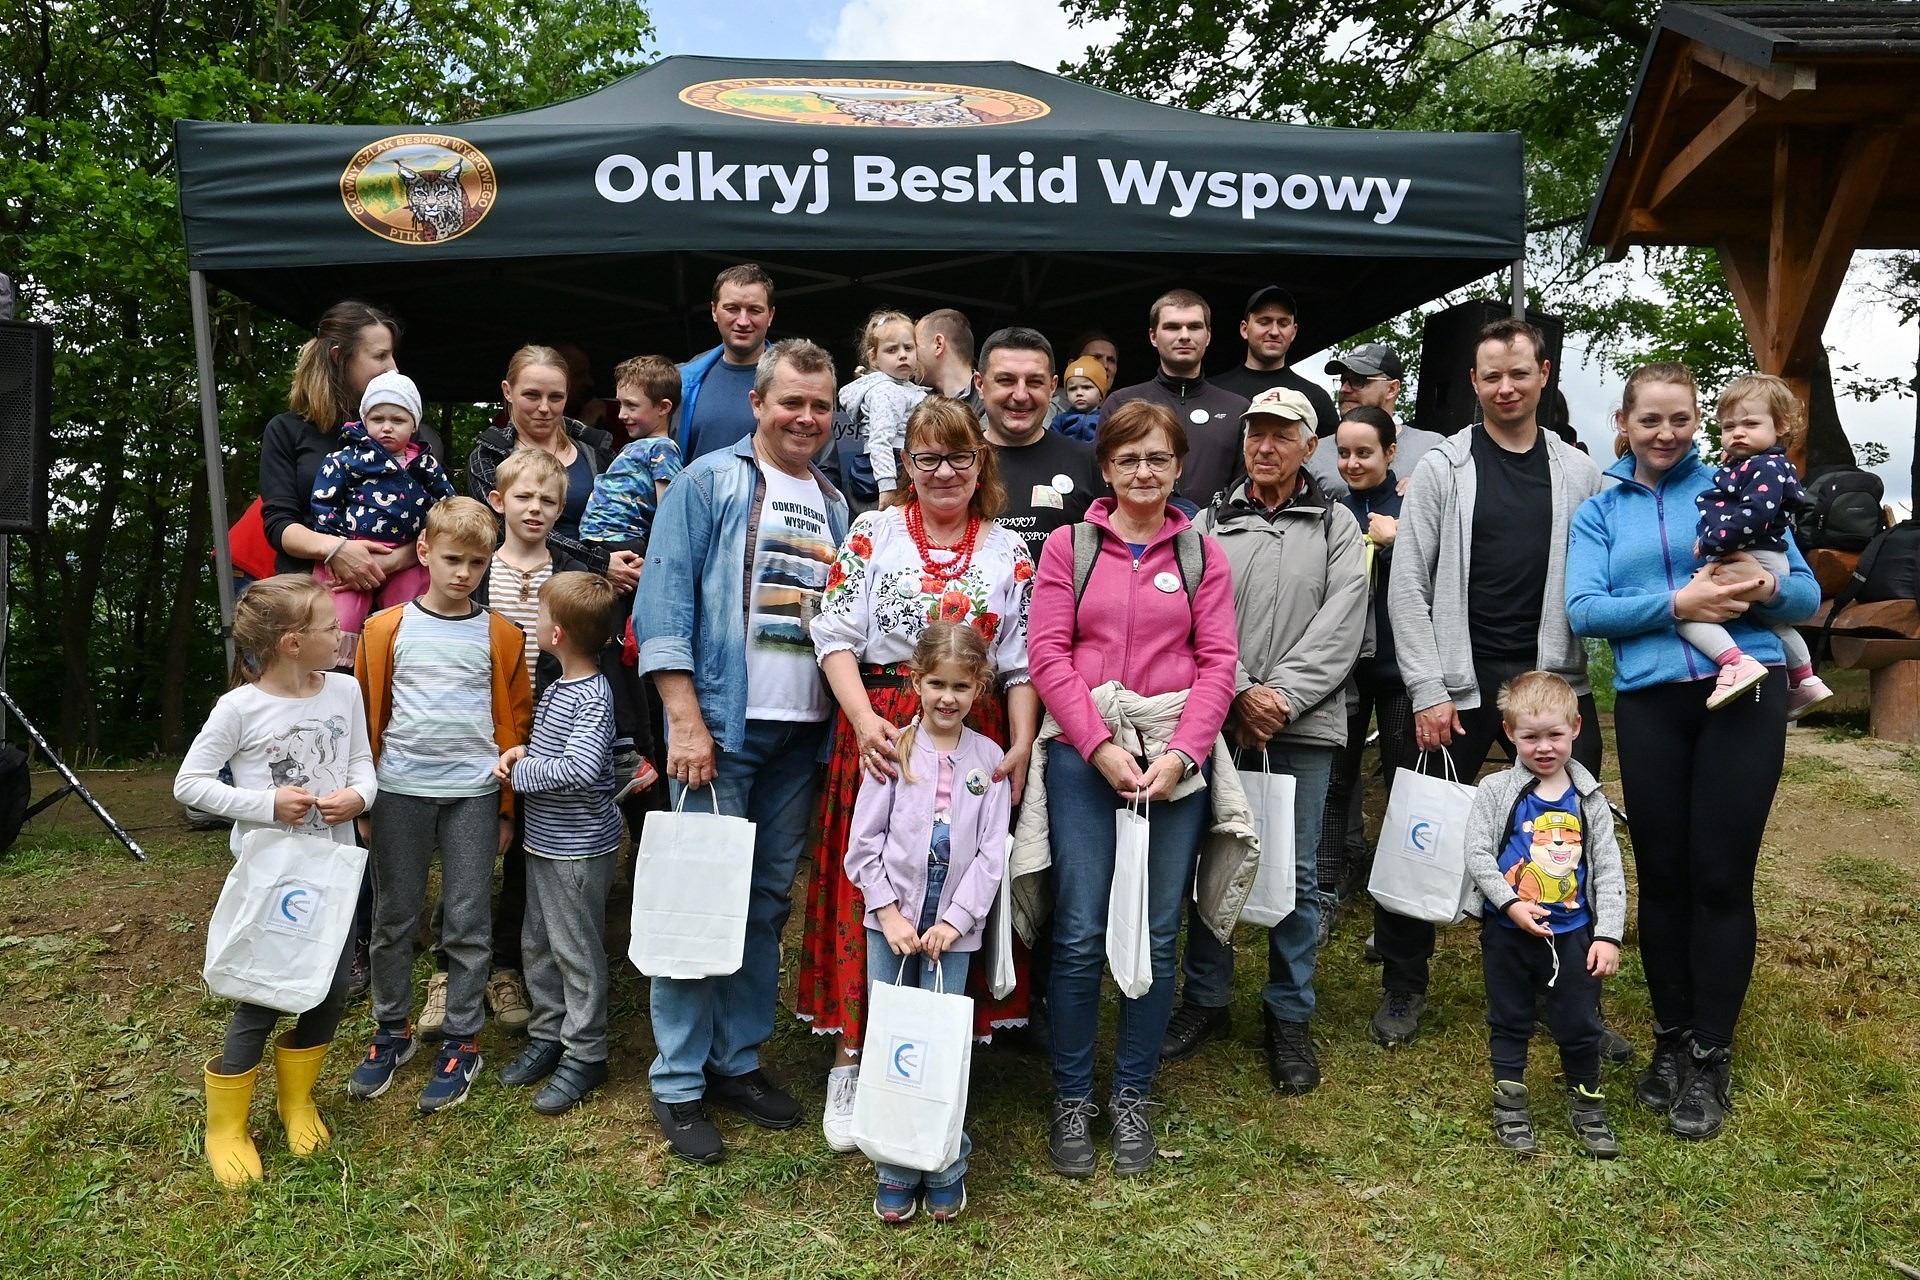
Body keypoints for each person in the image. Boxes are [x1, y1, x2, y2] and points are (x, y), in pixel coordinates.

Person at [1567, 361, 1817, 1141]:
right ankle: (1670, 1038)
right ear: (1624, 423)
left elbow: (1806, 593)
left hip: (1747, 692)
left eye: (1681, 419)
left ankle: (1711, 1052)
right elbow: (1585, 610)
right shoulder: (1600, 511)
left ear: (1697, 420)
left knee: (1719, 874)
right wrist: (1678, 602)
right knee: (1665, 875)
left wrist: (1766, 590)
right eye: (1651, 419)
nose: (1667, 433)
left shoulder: (1740, 481)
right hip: (1652, 701)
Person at [634, 338, 850, 1165]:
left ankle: (736, 1060)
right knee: (699, 900)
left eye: (820, 405)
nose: (806, 417)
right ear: (757, 403)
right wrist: (684, 719)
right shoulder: (707, 482)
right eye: (791, 401)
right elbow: (662, 605)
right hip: (722, 731)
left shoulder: (834, 502)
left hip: (800, 736)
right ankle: (678, 1079)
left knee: (762, 904)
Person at [802, 396, 1037, 1153]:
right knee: (874, 881)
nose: (943, 472)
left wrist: (1021, 746)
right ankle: (853, 1056)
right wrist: (863, 722)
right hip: (884, 731)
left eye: (959, 457)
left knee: (961, 877)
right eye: (927, 458)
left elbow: (1022, 662)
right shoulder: (872, 533)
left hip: (976, 737)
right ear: (906, 463)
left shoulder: (1008, 549)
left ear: (980, 462)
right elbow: (834, 635)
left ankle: (937, 1055)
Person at [1017, 400, 1245, 1178]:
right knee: (1081, 931)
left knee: (1155, 931)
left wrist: (1182, 755)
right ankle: (1073, 1098)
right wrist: (1098, 745)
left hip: (1173, 760)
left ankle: (1132, 1095)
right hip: (1085, 757)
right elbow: (1048, 654)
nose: (1143, 472)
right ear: (1105, 468)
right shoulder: (1069, 547)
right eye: (1128, 459)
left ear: (1178, 466)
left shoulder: (1203, 556)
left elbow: (1219, 663)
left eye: (1157, 458)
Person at [1376, 318, 1605, 1051]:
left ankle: (1559, 990)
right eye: (1492, 376)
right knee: (1424, 827)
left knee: (1562, 836)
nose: (1507, 387)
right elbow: (1408, 587)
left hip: (1552, 682)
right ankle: (1404, 981)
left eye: (1519, 373)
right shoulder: (1444, 468)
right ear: (1474, 383)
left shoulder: (1579, 472)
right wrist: (1427, 688)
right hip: (1458, 682)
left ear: (1544, 375)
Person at [1163, 388, 1369, 1094]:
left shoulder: (1337, 524)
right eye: (1257, 433)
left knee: (1297, 873)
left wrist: (1279, 697)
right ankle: (1206, 999)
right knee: (1211, 859)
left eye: (1283, 435)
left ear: (1310, 446)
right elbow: (1193, 617)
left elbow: (1344, 621)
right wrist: (1241, 691)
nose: (1266, 446)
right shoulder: (1209, 521)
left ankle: (1289, 1012)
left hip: (1303, 723)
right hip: (1219, 718)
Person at [174, 577, 375, 1185]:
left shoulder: (344, 689)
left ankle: (296, 1101)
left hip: (334, 871)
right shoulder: (239, 708)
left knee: (332, 988)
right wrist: (267, 804)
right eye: (329, 625)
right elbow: (190, 784)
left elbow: (362, 763)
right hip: (274, 880)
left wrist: (360, 797)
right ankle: (226, 1127)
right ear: (292, 643)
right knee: (264, 992)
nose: (340, 632)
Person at [349, 497, 534, 1113]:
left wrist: (506, 807)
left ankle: (462, 1038)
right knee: (394, 916)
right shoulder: (383, 629)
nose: (464, 573)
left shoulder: (502, 634)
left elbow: (516, 728)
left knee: (467, 919)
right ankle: (391, 1029)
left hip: (474, 795)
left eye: (478, 563)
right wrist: (364, 800)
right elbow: (363, 718)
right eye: (453, 559)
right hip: (398, 790)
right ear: (424, 553)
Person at [844, 623, 1011, 1224]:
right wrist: (887, 912)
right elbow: (863, 845)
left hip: (951, 933)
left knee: (941, 1044)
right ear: (915, 681)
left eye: (961, 687)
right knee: (894, 1039)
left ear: (980, 688)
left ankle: (943, 1162)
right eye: (937, 683)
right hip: (891, 924)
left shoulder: (988, 760)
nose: (948, 697)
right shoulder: (894, 750)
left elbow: (992, 853)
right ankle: (895, 1166)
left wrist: (957, 921)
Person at [1463, 671, 1625, 1159]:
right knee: (1510, 1018)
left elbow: (1609, 869)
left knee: (1579, 1022)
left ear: (1576, 727)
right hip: (1508, 934)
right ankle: (1510, 1105)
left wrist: (1608, 935)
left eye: (1555, 734)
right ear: (1509, 734)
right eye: (1530, 736)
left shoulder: (1589, 799)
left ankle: (1588, 1105)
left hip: (1575, 936)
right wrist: (1510, 904)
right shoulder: (1495, 790)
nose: (1544, 747)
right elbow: (1477, 854)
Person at [494, 572, 622, 1116]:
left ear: (558, 634)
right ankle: (550, 1033)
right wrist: (524, 752)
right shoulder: (559, 687)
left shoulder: (592, 694)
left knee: (576, 951)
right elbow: (555, 753)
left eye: (542, 615)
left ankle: (587, 1051)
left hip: (578, 849)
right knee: (539, 944)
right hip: (545, 844)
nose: (537, 622)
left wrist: (518, 776)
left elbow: (580, 767)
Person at [1317, 407, 1417, 940]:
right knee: (1336, 780)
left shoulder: (1413, 506)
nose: (1353, 463)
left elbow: (1437, 577)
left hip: (1400, 670)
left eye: (1364, 452)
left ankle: (1397, 904)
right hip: (1344, 672)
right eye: (1344, 453)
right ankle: (1325, 888)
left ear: (1390, 451)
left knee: (1403, 782)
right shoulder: (1330, 511)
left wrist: (1398, 540)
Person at [1680, 374, 1830, 715]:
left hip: (1753, 555)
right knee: (1772, 622)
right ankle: (1806, 680)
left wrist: (1711, 542)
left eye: (1750, 424)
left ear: (1780, 426)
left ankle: (1736, 664)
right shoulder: (1757, 465)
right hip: (1765, 556)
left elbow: (1754, 514)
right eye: (1729, 426)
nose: (1738, 433)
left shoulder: (1767, 467)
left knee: (1689, 614)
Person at [309, 371, 455, 656]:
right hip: (352, 551)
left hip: (407, 555)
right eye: (377, 419)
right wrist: (337, 546)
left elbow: (448, 504)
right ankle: (334, 668)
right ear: (365, 420)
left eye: (397, 420)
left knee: (411, 616)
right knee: (339, 618)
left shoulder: (424, 464)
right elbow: (324, 502)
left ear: (414, 425)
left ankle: (403, 663)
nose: (387, 428)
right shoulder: (345, 459)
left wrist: (431, 536)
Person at [259, 301, 403, 588]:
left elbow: (436, 520)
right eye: (380, 356)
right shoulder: (285, 429)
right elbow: (279, 524)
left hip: (395, 588)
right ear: (339, 357)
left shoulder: (400, 431)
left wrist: (389, 562)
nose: (394, 369)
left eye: (392, 355)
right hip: (309, 593)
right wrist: (335, 549)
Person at [1102, 290, 1248, 508]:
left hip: (1218, 527)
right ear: (1153, 336)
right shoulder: (1120, 403)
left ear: (1208, 336)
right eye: (1172, 327)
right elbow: (1103, 483)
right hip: (1138, 528)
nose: (1184, 335)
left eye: (1194, 327)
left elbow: (1244, 491)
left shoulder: (1237, 408)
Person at [976, 326, 1103, 561]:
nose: (1021, 395)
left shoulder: (1089, 462)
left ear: (1053, 387)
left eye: (1035, 382)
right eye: (1006, 380)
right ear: (980, 384)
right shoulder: (954, 464)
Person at [1212, 286, 1342, 498]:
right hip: (1222, 509)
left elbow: (1340, 465)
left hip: (1297, 510)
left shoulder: (1316, 397)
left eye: (1283, 323)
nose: (1274, 331)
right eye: (1264, 322)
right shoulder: (1214, 391)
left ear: (1294, 331)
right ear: (1244, 329)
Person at [579, 355, 685, 554]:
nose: (621, 414)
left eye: (631, 406)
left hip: (622, 543)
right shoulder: (637, 446)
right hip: (598, 543)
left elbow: (668, 509)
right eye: (620, 404)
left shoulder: (663, 448)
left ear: (663, 407)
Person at [677, 262, 777, 459]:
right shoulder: (682, 381)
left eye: (754, 310)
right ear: (714, 311)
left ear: (770, 315)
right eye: (732, 309)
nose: (743, 321)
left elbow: (823, 467)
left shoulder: (798, 380)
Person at [837, 309, 930, 513]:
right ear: (873, 358)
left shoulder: (905, 389)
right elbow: (880, 440)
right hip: (889, 469)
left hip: (903, 463)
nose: (903, 355)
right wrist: (887, 487)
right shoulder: (886, 391)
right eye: (892, 350)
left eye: (908, 347)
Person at [1324, 342, 1445, 482]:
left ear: (1392, 389)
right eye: (1343, 381)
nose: (1344, 389)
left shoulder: (1432, 447)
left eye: (1358, 381)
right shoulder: (1313, 454)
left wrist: (1421, 489)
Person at [914, 308, 984, 418]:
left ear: (938, 345)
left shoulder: (990, 403)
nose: (909, 356)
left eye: (914, 346)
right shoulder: (915, 403)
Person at [1051, 356, 1107, 443]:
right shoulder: (1060, 420)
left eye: (1086, 387)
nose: (1079, 393)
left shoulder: (1106, 420)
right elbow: (1051, 445)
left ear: (1100, 394)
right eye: (1072, 389)